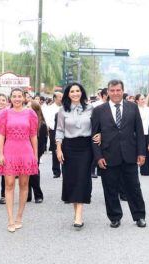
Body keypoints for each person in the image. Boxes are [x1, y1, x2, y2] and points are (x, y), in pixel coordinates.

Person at [91, 79, 147, 228]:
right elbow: (94, 137)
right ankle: (115, 217)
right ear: (108, 92)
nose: (115, 93)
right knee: (110, 188)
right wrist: (98, 157)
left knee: (134, 187)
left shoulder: (133, 108)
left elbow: (140, 132)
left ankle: (139, 216)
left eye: (118, 90)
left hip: (130, 154)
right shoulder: (98, 111)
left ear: (122, 91)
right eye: (112, 90)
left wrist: (142, 153)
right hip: (108, 156)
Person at [0, 88, 38, 233]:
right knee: (9, 184)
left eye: (20, 96)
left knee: (24, 184)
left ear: (24, 98)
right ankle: (10, 219)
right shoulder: (4, 113)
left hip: (26, 151)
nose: (17, 98)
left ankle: (19, 216)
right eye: (14, 96)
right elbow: (1, 135)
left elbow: (33, 135)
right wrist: (1, 154)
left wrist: (35, 155)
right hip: (9, 151)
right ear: (10, 98)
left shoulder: (31, 113)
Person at [55, 82, 94, 229]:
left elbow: (96, 127)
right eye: (72, 91)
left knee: (82, 179)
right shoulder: (62, 110)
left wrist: (99, 137)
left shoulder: (90, 108)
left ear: (82, 92)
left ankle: (79, 215)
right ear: (68, 94)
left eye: (78, 91)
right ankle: (76, 211)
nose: (75, 93)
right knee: (71, 180)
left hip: (85, 147)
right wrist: (59, 149)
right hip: (68, 147)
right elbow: (59, 130)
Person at [27, 101, 45, 203]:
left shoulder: (41, 124)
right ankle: (27, 195)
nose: (26, 108)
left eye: (29, 107)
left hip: (35, 152)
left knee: (34, 173)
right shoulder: (24, 120)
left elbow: (42, 143)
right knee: (25, 173)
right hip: (24, 151)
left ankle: (38, 195)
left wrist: (36, 155)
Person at [45, 92, 63, 178]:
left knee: (64, 150)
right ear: (55, 98)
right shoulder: (50, 108)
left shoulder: (65, 107)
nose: (61, 98)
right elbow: (48, 120)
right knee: (55, 151)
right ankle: (56, 171)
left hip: (64, 131)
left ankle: (65, 170)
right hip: (53, 131)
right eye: (60, 97)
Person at [135, 94, 149, 176]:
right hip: (140, 133)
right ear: (137, 101)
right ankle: (144, 170)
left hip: (148, 132)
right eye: (141, 99)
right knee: (142, 151)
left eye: (144, 99)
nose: (143, 100)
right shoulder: (135, 109)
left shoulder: (148, 109)